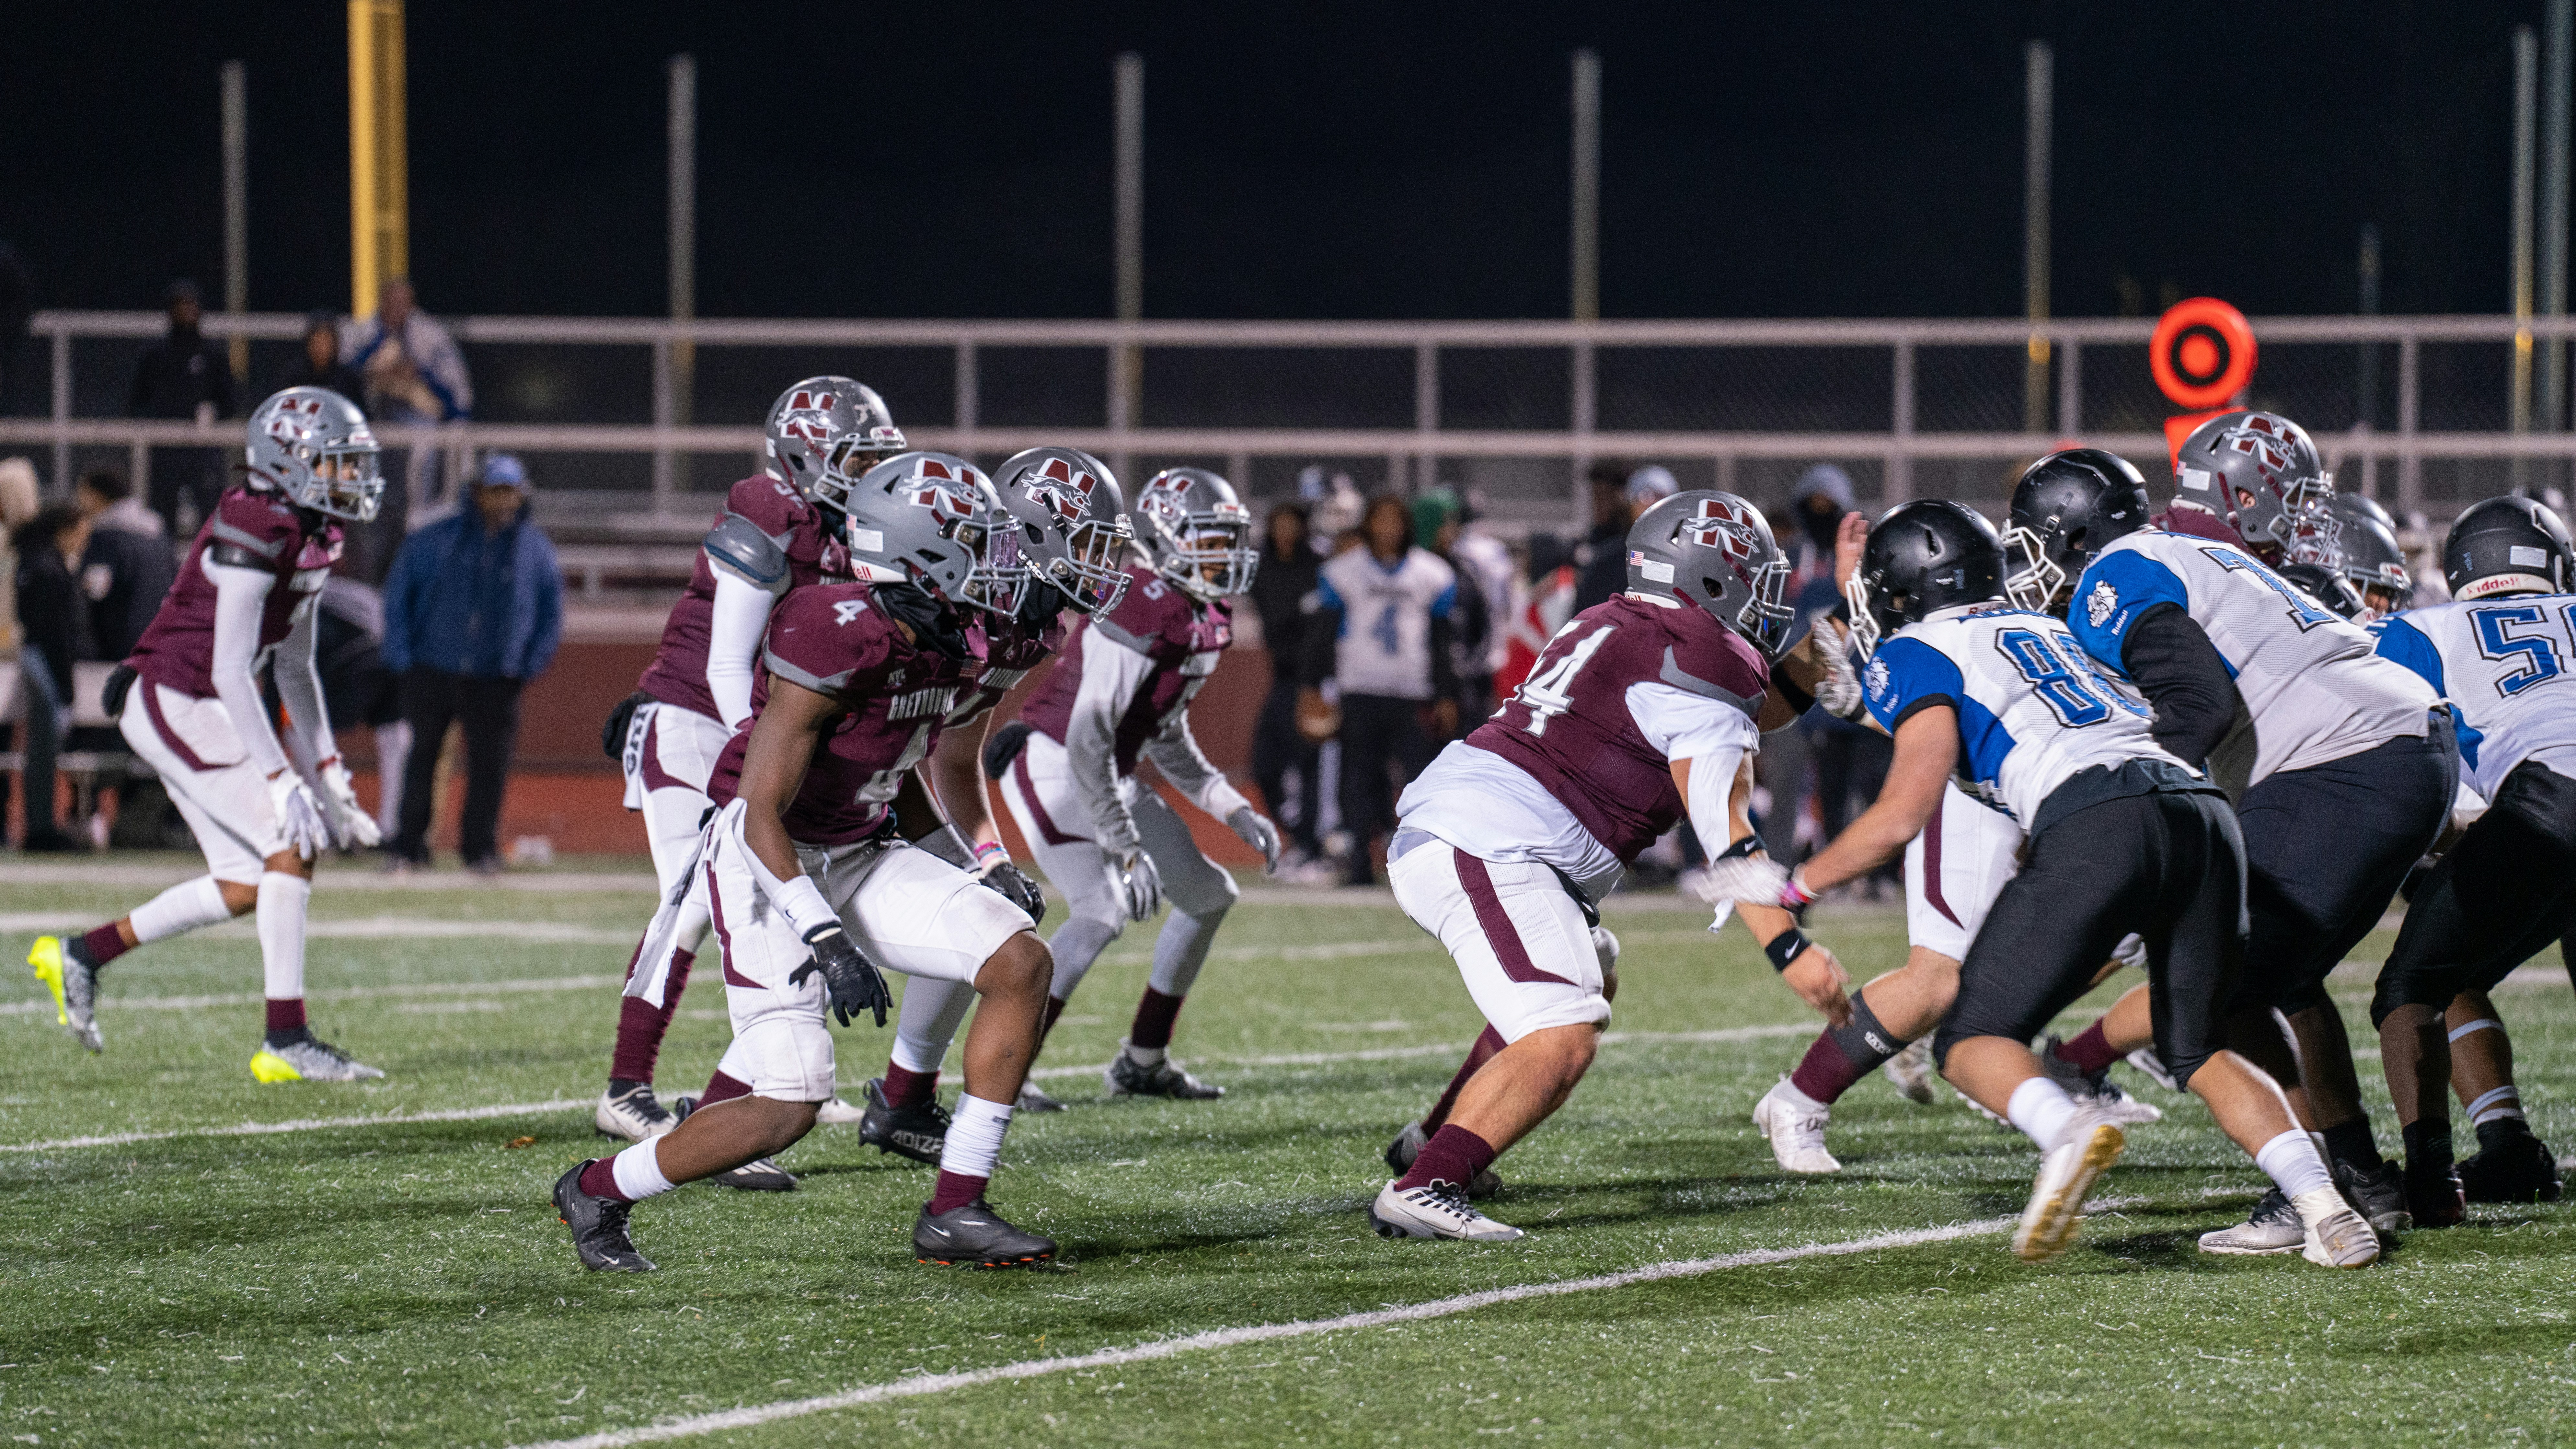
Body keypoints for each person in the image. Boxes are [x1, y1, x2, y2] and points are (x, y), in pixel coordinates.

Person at [1710, 498, 2380, 1268]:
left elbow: (1900, 813)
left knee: (1970, 1038)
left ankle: (2063, 1128)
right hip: (2203, 812)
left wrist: (1794, 888)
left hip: (2100, 814)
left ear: (1902, 595)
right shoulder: (2056, 628)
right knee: (2199, 1044)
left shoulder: (1919, 648)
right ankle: (2326, 1208)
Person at [554, 452, 1060, 1272]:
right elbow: (757, 810)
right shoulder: (836, 626)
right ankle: (599, 1186)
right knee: (787, 1105)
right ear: (922, 554)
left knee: (1019, 961)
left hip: (863, 847)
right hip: (767, 862)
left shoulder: (952, 633)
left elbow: (907, 770)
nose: (998, 562)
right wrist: (825, 938)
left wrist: (975, 864)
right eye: (977, 542)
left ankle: (956, 1207)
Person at [2007, 431, 2454, 1247]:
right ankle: (2361, 1178)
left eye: (2036, 543)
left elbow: (2198, 705)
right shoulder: (2188, 551)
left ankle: (2315, 1189)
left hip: (2344, 760)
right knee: (2281, 978)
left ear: (2072, 535)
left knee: (2217, 984)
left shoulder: (2117, 571)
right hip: (2397, 745)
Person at [1369, 491, 1816, 1241]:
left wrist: (1844, 637)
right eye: (1755, 577)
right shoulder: (1701, 652)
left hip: (1480, 828)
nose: (1768, 599)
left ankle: (1438, 1136)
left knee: (1589, 965)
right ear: (1711, 577)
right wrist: (1789, 946)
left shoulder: (1630, 621)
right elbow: (1726, 828)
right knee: (1566, 1025)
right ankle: (1426, 1183)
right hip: (1491, 843)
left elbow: (1758, 702)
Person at [27, 388, 385, 1079]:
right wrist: (285, 782)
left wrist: (331, 773)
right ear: (291, 461)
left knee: (246, 882)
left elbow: (294, 665)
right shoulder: (256, 521)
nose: (353, 479)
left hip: (201, 696)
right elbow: (228, 668)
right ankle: (287, 1040)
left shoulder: (314, 531)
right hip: (174, 692)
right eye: (340, 463)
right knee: (291, 844)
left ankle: (82, 953)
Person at [590, 378, 905, 1153]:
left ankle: (753, 1089)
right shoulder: (772, 510)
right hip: (697, 714)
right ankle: (626, 1088)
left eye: (877, 455)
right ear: (806, 455)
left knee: (774, 897)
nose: (871, 472)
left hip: (756, 723)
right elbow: (730, 663)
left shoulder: (847, 526)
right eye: (856, 456)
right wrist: (757, 761)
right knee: (696, 895)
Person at [857, 447, 1127, 1157]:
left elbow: (953, 751)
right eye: (1090, 543)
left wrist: (986, 854)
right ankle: (721, 1102)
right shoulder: (962, 600)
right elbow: (889, 728)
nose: (1105, 563)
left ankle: (904, 1095)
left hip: (892, 782)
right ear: (1037, 536)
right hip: (828, 788)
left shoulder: (1032, 624)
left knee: (990, 907)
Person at [993, 466, 1282, 1099]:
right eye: (1210, 539)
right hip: (1055, 759)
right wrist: (1124, 844)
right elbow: (1090, 739)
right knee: (1100, 909)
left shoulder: (1205, 613)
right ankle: (1003, 1071)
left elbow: (1164, 732)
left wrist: (1228, 806)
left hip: (1105, 771)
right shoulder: (1140, 601)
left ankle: (1142, 1061)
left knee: (1207, 895)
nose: (1224, 554)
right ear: (1169, 536)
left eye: (1228, 540)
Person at [2367, 496, 2574, 1211]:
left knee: (2411, 985)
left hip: (2549, 806)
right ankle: (2507, 1147)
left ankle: (2428, 1180)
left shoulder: (2423, 628)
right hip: (2545, 806)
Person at [379, 453, 563, 874]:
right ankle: (410, 847)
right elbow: (399, 596)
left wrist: (528, 663)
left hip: (496, 675)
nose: (503, 501)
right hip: (433, 666)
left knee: (489, 768)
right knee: (421, 759)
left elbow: (551, 612)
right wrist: (403, 658)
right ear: (477, 492)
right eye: (495, 491)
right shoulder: (434, 539)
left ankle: (479, 850)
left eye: (510, 492)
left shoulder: (534, 548)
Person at [1302, 493, 1457, 886]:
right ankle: (1358, 861)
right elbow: (1320, 637)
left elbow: (1441, 641)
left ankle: (1422, 865)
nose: (1388, 529)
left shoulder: (1430, 573)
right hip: (1360, 688)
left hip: (1410, 690)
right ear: (1368, 524)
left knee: (1418, 781)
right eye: (1380, 519)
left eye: (1395, 520)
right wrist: (1310, 688)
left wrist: (1446, 693)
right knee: (1358, 780)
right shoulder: (1345, 571)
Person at [341, 278, 472, 580]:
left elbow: (460, 400)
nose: (396, 312)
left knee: (417, 501)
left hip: (421, 429)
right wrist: (376, 361)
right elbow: (343, 377)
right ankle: (371, 568)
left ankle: (419, 560)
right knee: (375, 505)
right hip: (373, 426)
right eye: (390, 304)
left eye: (403, 305)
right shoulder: (364, 333)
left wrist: (418, 372)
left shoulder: (430, 336)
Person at [1247, 498, 1325, 867]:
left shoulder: (1318, 567)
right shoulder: (1263, 567)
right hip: (1281, 677)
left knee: (1311, 763)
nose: (1285, 532)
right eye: (1279, 523)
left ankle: (1312, 843)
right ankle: (1296, 831)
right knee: (1263, 762)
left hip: (1314, 679)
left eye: (1292, 523)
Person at [128, 280, 240, 532]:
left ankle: (207, 569)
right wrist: (157, 420)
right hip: (165, 451)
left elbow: (231, 401)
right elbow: (136, 402)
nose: (186, 312)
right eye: (180, 306)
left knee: (210, 516)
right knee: (161, 516)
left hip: (203, 450)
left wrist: (213, 415)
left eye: (191, 306)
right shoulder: (155, 355)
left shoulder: (213, 355)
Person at [13, 503, 93, 851]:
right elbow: (57, 631)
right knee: (44, 749)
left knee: (41, 751)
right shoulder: (49, 567)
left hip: (36, 656)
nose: (82, 542)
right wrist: (66, 686)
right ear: (65, 529)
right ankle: (42, 827)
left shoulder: (32, 560)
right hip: (45, 661)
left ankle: (41, 824)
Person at [74, 470, 177, 662]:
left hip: (119, 646)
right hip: (161, 638)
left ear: (95, 496)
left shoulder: (106, 537)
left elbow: (96, 591)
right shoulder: (156, 530)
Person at [281, 309, 365, 400]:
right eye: (317, 343)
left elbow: (359, 412)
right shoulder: (293, 377)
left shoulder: (348, 379)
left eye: (326, 343)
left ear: (335, 345)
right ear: (308, 345)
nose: (321, 349)